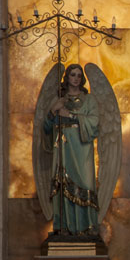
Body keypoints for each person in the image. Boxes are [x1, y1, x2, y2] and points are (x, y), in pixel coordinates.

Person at [42, 63, 100, 236]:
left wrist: (71, 116)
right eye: (72, 75)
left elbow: (94, 122)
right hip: (63, 146)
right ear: (66, 78)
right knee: (63, 183)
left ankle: (87, 227)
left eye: (79, 75)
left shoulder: (89, 100)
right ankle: (64, 227)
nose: (76, 78)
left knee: (85, 184)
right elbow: (46, 128)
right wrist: (53, 111)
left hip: (82, 148)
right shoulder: (59, 100)